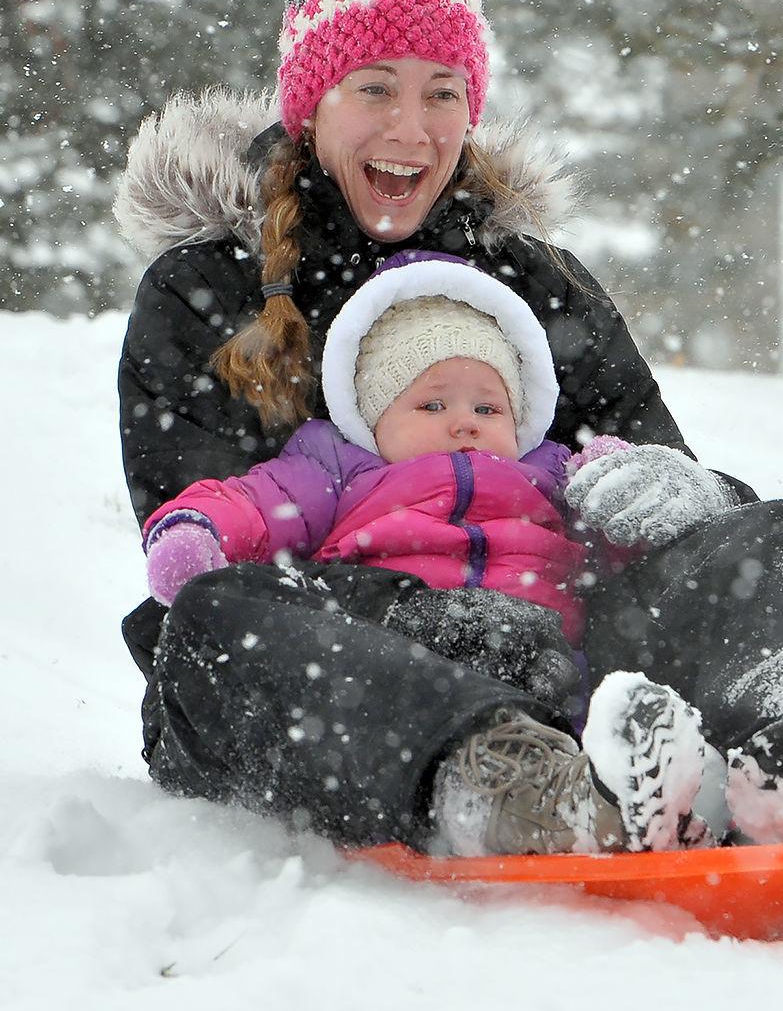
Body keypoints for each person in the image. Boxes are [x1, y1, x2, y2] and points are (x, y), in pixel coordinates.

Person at [115, 0, 783, 862]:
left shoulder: (535, 283)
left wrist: (686, 494)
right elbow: (200, 533)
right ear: (310, 103)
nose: (410, 128)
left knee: (768, 531)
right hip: (344, 663)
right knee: (211, 622)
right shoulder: (209, 290)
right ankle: (499, 781)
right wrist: (436, 624)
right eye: (373, 89)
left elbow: (658, 497)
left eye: (442, 93)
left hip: (558, 644)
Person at [140, 249, 711, 854]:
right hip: (399, 661)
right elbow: (256, 504)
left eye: (488, 407)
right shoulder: (334, 465)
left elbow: (628, 548)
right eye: (432, 404)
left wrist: (627, 478)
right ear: (374, 413)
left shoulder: (550, 474)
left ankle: (616, 781)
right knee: (241, 601)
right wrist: (196, 527)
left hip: (540, 666)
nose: (464, 422)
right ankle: (513, 787)